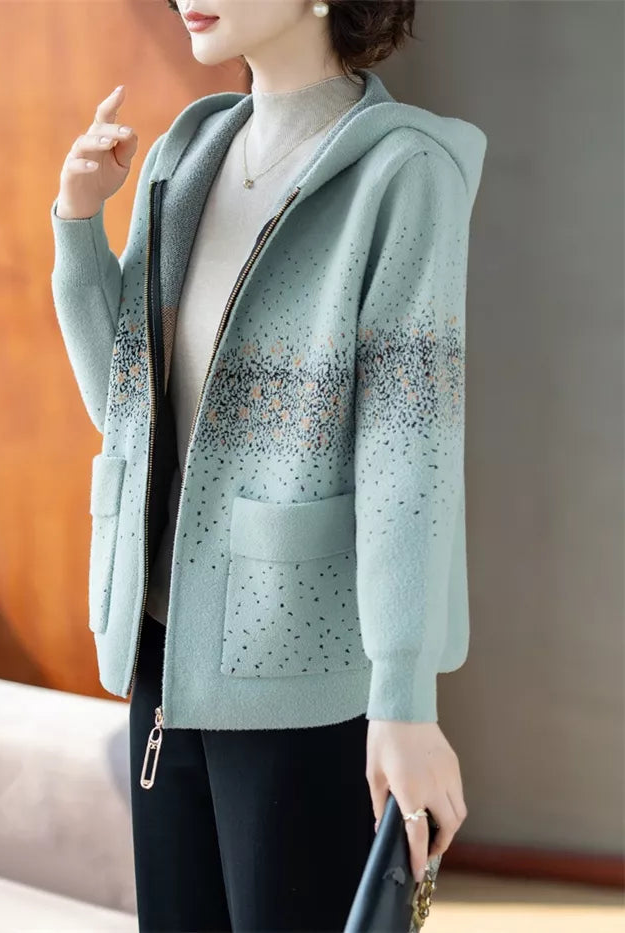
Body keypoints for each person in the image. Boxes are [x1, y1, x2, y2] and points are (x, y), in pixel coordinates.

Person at [49, 1, 487, 930]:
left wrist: (404, 698)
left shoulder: (403, 173)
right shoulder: (186, 153)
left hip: (300, 673)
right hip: (163, 657)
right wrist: (78, 227)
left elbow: (408, 453)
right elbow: (126, 412)